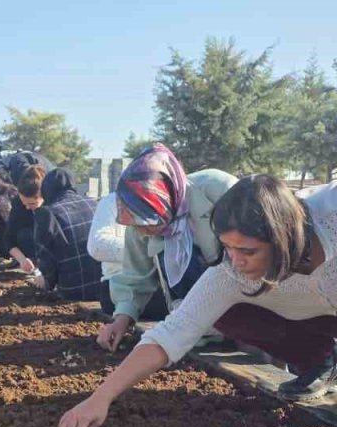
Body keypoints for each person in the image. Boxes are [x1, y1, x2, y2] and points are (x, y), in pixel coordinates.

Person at [58, 165, 337, 427]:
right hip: (322, 318)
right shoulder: (231, 272)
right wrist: (100, 398)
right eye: (228, 248)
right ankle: (323, 360)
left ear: (281, 237)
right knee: (226, 309)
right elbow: (172, 333)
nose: (235, 260)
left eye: (246, 250)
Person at [96, 144, 237, 352]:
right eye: (138, 225)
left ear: (166, 199)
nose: (143, 231)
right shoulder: (139, 222)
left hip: (244, 315)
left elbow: (253, 260)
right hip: (196, 329)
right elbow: (135, 276)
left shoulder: (218, 190)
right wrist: (121, 320)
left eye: (149, 223)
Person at [18, 166, 103, 302]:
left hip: (73, 290)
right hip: (103, 288)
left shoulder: (47, 213)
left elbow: (46, 257)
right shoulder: (94, 204)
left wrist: (46, 282)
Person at [87, 192, 168, 319]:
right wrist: (141, 252)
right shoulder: (112, 201)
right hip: (118, 282)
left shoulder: (169, 200)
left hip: (161, 285)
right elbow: (97, 246)